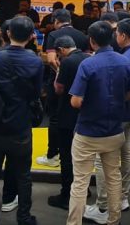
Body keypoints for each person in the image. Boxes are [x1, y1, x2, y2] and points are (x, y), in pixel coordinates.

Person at [66, 21, 130, 225]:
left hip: (87, 131)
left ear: (91, 41)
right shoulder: (124, 62)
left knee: (80, 182)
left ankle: (74, 222)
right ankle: (114, 219)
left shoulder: (88, 64)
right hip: (114, 130)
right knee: (113, 177)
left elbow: (76, 101)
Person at [0, 16, 42, 225]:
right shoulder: (35, 60)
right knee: (23, 175)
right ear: (31, 36)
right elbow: (36, 94)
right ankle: (24, 217)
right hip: (20, 124)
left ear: (7, 33)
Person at [87, 19, 130, 221]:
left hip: (117, 114)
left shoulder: (125, 59)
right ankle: (122, 197)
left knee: (104, 158)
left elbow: (123, 89)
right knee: (127, 152)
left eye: (117, 33)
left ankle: (104, 204)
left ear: (123, 35)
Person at [46, 36, 86, 210]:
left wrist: (57, 70)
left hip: (67, 114)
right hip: (83, 113)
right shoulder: (87, 58)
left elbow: (58, 88)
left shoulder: (67, 62)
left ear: (61, 50)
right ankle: (82, 190)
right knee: (81, 157)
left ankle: (67, 194)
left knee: (67, 156)